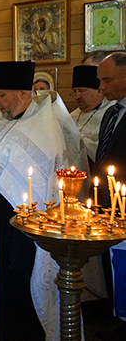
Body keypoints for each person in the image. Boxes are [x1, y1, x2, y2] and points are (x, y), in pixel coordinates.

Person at [0, 61, 69, 341]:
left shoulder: (43, 130)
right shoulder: (9, 123)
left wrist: (22, 247)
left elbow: (43, 191)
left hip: (23, 237)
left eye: (1, 94)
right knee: (4, 285)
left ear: (23, 94)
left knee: (20, 286)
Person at [94, 52, 126, 341]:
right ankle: (117, 315)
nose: (101, 88)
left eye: (107, 80)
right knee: (111, 260)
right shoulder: (111, 112)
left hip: (125, 203)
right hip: (106, 201)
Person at [69, 64, 115, 165]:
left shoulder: (111, 113)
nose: (77, 96)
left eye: (82, 91)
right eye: (74, 92)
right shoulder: (72, 116)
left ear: (99, 91)